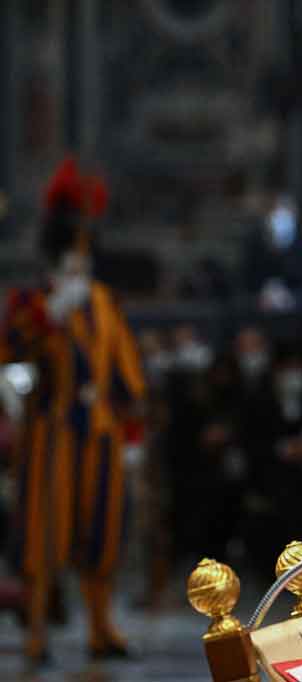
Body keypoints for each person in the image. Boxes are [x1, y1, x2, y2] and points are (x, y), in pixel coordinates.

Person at [0, 157, 146, 662]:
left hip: (100, 434)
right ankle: (36, 634)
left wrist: (131, 433)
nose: (78, 258)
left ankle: (100, 629)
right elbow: (8, 347)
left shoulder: (104, 301)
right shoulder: (34, 298)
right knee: (43, 538)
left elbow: (125, 367)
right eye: (71, 251)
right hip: (52, 433)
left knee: (101, 536)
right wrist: (47, 314)